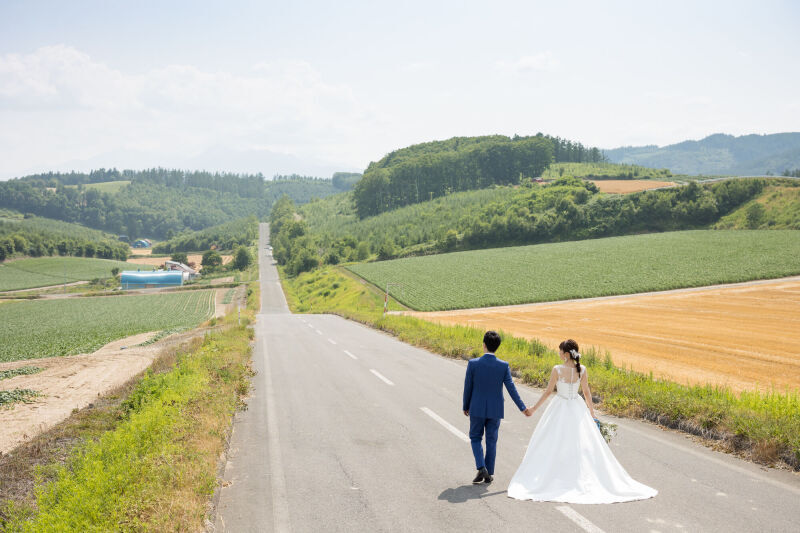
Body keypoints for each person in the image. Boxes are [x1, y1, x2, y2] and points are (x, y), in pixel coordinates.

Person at [507, 339, 657, 503]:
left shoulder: (557, 369)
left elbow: (549, 391)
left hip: (560, 406)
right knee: (580, 443)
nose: (558, 354)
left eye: (559, 351)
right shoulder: (582, 369)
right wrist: (592, 414)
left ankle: (558, 474)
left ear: (565, 354)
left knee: (553, 440)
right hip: (577, 408)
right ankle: (576, 474)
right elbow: (586, 393)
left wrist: (534, 409)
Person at [463, 331, 532, 484]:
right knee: (491, 441)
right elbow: (511, 389)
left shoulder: (473, 364)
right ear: (497, 347)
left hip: (477, 407)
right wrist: (523, 408)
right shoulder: (503, 366)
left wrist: (465, 405)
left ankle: (481, 467)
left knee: (475, 437)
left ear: (484, 345)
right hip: (495, 409)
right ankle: (489, 472)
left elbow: (468, 387)